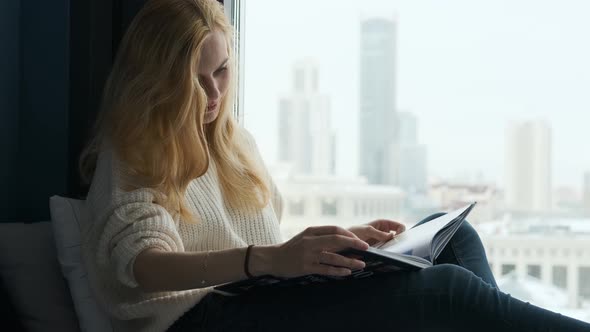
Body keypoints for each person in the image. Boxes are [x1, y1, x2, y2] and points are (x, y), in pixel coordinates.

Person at [78, 0, 590, 331]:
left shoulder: (234, 144)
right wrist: (269, 260)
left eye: (222, 70)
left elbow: (263, 256)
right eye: (196, 80)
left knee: (455, 241)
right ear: (157, 80)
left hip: (261, 297)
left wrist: (334, 246)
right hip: (206, 321)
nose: (214, 94)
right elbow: (142, 266)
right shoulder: (133, 150)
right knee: (446, 291)